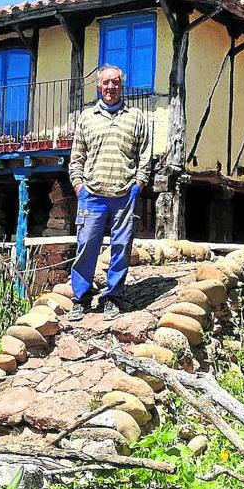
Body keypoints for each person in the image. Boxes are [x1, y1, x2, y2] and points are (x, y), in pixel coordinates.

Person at [66, 64, 151, 321]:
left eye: (115, 82)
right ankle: (81, 298)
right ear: (99, 86)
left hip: (124, 195)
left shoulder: (136, 117)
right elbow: (76, 157)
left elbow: (144, 155)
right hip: (91, 194)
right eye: (106, 83)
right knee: (86, 246)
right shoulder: (86, 117)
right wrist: (79, 187)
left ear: (121, 86)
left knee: (121, 247)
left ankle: (112, 296)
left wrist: (138, 184)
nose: (111, 87)